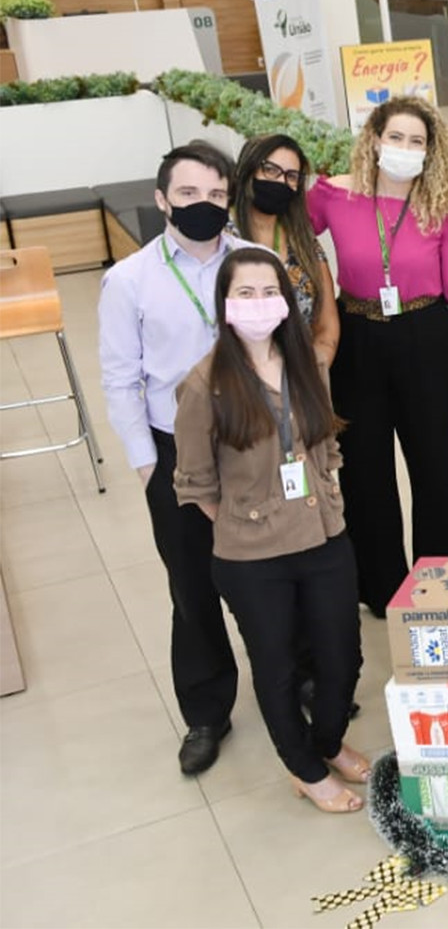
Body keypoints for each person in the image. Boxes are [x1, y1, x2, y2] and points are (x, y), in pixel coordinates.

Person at [173, 249, 368, 814]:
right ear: (225, 305)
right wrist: (245, 523)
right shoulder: (205, 384)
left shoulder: (307, 362)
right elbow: (195, 482)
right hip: (251, 555)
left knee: (343, 655)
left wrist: (325, 494)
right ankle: (305, 768)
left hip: (323, 534)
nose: (259, 305)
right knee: (277, 665)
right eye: (245, 295)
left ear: (285, 301)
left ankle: (327, 742)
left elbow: (326, 441)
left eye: (268, 293)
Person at [97, 141, 250, 775]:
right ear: (162, 200)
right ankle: (207, 711)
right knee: (192, 583)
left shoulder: (253, 263)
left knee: (272, 568)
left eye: (216, 195)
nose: (203, 206)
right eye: (188, 195)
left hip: (253, 443)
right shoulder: (128, 280)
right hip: (175, 453)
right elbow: (118, 378)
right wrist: (145, 465)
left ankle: (294, 682)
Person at [308, 97, 448, 617]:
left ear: (431, 153)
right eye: (396, 139)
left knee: (435, 469)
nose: (405, 150)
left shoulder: (443, 209)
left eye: (417, 142)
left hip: (428, 338)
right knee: (365, 470)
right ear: (374, 141)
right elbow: (286, 236)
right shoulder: (334, 197)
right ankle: (382, 587)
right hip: (358, 336)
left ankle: (442, 581)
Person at [231, 132, 339, 371]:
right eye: (270, 169)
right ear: (248, 171)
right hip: (237, 385)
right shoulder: (222, 241)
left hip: (302, 382)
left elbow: (327, 327)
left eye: (291, 176)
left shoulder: (304, 242)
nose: (281, 181)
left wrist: (312, 374)